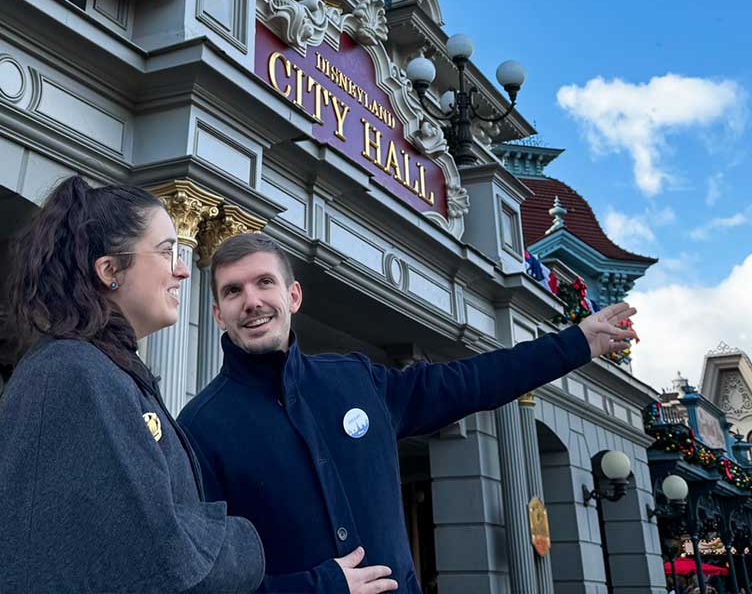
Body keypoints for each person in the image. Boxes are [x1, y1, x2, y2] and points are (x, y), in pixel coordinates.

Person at [178, 233, 639, 593]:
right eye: (234, 291)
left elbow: (473, 381)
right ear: (218, 314)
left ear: (293, 296)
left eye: (264, 283)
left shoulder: (356, 380)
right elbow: (201, 576)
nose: (252, 301)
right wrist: (319, 588)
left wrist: (576, 344)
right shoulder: (201, 427)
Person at [0, 178, 265, 593]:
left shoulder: (96, 367)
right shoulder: (75, 370)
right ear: (110, 270)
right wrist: (253, 539)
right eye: (167, 252)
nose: (183, 269)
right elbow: (157, 555)